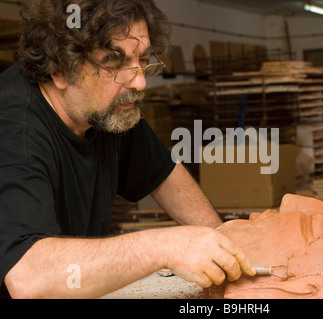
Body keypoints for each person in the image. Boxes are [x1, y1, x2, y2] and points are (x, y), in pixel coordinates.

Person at [0, 0, 256, 299]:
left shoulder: (105, 106)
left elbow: (164, 174)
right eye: (113, 63)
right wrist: (162, 246)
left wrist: (224, 246)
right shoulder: (15, 133)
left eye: (143, 60)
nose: (140, 81)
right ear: (60, 69)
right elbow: (28, 278)